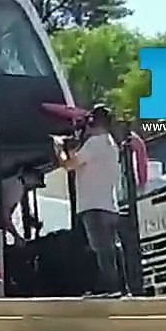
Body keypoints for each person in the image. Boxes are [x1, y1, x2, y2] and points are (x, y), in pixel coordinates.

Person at [54, 104, 126, 295]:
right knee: (110, 249)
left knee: (102, 251)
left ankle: (110, 289)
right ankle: (120, 287)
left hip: (94, 205)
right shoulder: (110, 143)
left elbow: (70, 165)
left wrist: (59, 148)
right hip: (108, 205)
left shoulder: (95, 143)